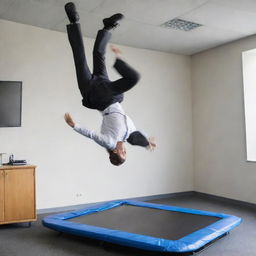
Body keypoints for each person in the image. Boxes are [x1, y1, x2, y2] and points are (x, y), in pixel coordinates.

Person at [64, 2, 156, 166]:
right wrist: (147, 143)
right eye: (126, 153)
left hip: (97, 96)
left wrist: (74, 125)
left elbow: (92, 134)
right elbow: (136, 138)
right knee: (99, 55)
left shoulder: (109, 142)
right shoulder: (127, 136)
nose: (124, 150)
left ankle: (73, 21)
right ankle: (107, 27)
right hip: (109, 94)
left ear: (115, 152)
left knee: (80, 58)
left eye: (123, 153)